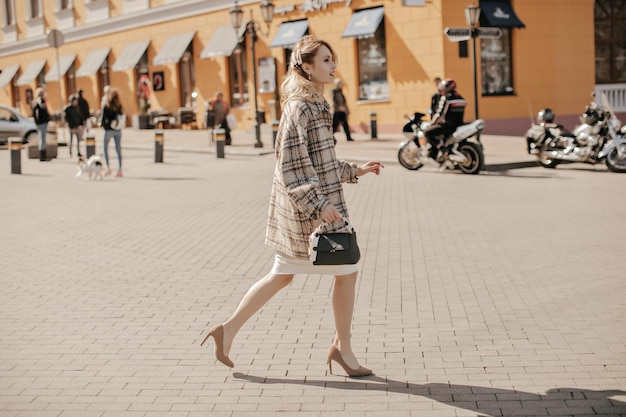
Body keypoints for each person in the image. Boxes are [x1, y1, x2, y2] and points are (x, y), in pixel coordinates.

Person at [200, 35, 384, 377]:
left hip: (315, 209)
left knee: (288, 275)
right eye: (326, 60)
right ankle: (341, 349)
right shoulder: (300, 107)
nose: (333, 65)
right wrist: (319, 204)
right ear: (307, 67)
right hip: (308, 214)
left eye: (333, 59)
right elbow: (292, 165)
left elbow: (321, 160)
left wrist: (354, 170)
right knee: (343, 270)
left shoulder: (316, 104)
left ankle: (228, 331)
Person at [423, 78, 467, 161]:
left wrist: (432, 123)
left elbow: (440, 114)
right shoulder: (461, 98)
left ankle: (442, 148)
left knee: (427, 132)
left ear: (446, 88)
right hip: (459, 125)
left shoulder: (446, 99)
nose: (441, 91)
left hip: (448, 126)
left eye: (442, 89)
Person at [101, 88, 124, 177]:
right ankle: (120, 169)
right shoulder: (119, 106)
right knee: (118, 149)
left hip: (108, 130)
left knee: (105, 148)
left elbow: (103, 119)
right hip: (118, 130)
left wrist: (103, 125)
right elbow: (121, 117)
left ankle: (108, 168)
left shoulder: (107, 106)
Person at [32, 87, 51, 162]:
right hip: (42, 122)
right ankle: (42, 156)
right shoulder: (39, 102)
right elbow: (38, 113)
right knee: (42, 138)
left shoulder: (35, 102)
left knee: (42, 138)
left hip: (40, 122)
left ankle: (43, 155)